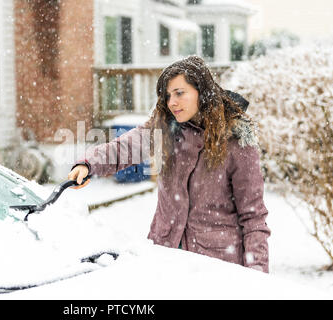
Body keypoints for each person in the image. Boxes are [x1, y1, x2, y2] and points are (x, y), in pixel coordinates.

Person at [68, 55, 271, 273]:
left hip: (216, 265)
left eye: (179, 93)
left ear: (202, 92)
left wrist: (257, 275)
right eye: (167, 95)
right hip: (165, 256)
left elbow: (253, 218)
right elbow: (127, 147)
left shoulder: (236, 143)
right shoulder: (166, 129)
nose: (172, 102)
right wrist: (89, 164)